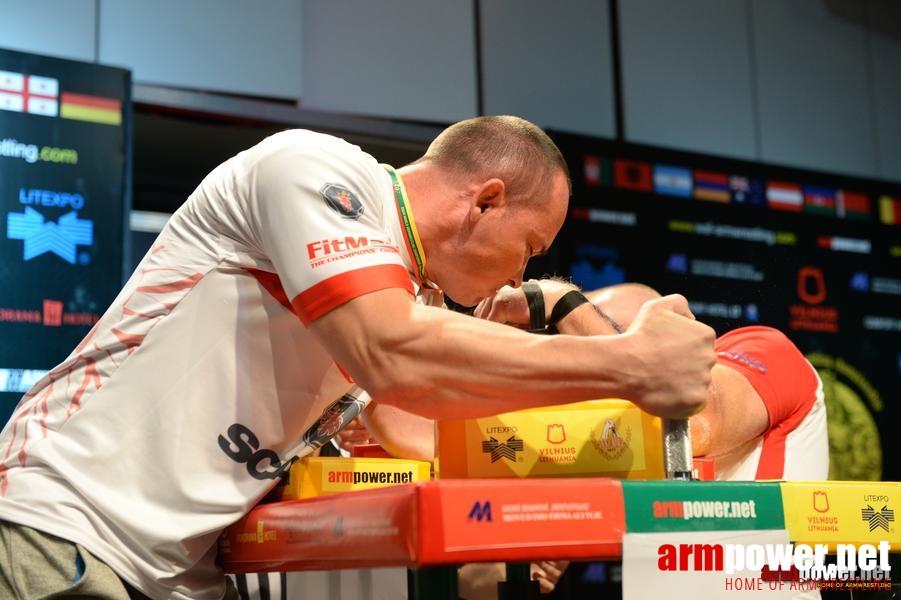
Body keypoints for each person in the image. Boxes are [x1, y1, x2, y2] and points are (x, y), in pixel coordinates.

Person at [0, 116, 716, 599]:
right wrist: (629, 364)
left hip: (170, 572)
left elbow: (427, 419)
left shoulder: (408, 293)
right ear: (486, 200)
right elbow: (390, 349)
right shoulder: (316, 170)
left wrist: (561, 498)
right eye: (529, 250)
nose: (515, 278)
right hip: (62, 527)